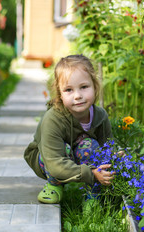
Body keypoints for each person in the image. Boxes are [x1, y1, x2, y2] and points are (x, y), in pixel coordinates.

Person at [24, 54, 115, 204]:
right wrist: (91, 174)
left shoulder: (100, 116)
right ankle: (54, 185)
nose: (78, 96)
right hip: (49, 159)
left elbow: (107, 145)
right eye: (68, 90)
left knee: (90, 146)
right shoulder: (53, 119)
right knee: (63, 150)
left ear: (95, 85)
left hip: (79, 155)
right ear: (59, 93)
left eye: (84, 87)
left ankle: (93, 196)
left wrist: (115, 156)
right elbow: (54, 163)